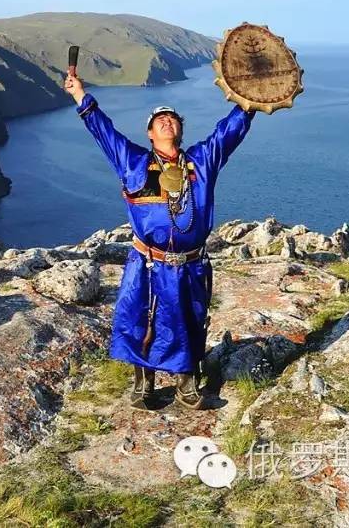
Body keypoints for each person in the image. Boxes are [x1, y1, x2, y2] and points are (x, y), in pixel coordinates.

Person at [64, 72, 253, 410]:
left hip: (190, 263)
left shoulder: (202, 162)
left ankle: (186, 383)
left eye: (172, 119)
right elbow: (103, 132)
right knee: (141, 318)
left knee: (189, 318)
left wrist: (248, 105)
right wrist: (81, 96)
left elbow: (227, 134)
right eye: (159, 120)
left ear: (180, 129)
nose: (167, 122)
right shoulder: (133, 162)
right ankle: (143, 383)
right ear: (150, 133)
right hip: (147, 262)